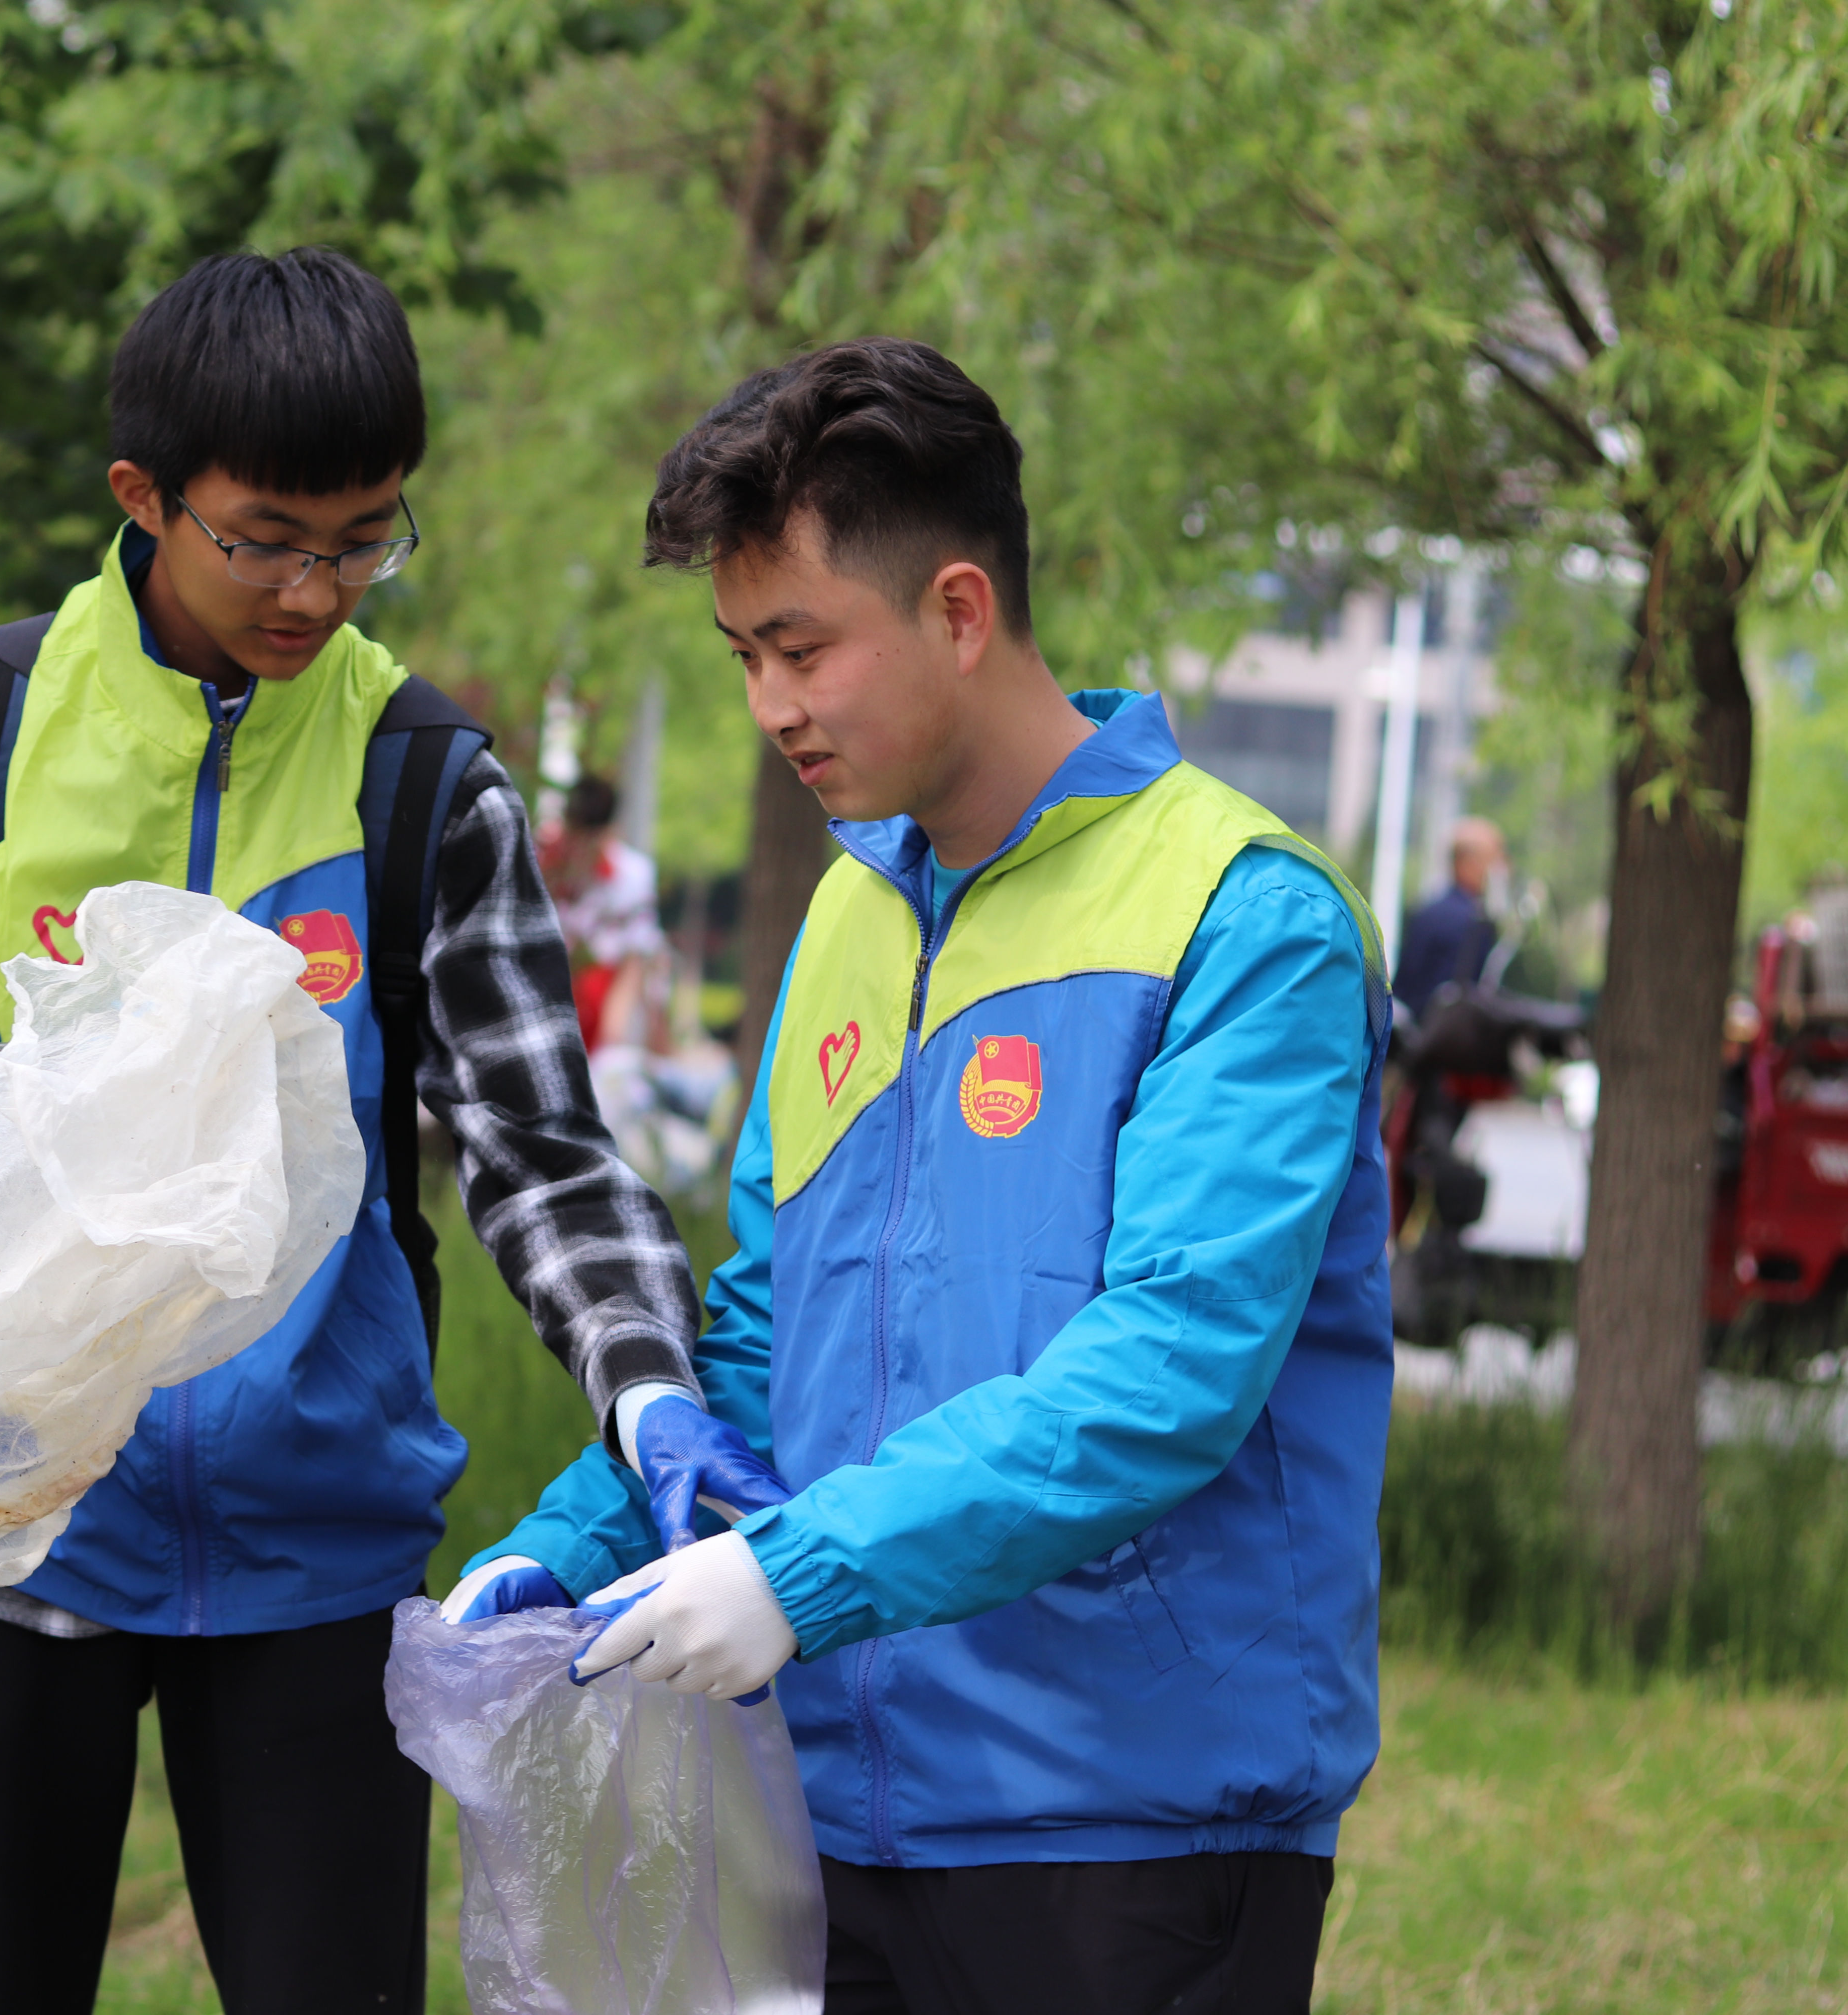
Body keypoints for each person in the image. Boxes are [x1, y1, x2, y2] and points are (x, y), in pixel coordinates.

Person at [0, 247, 702, 2015]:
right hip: (7, 1526)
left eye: (366, 536)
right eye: (265, 537)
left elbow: (542, 1149)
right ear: (144, 499)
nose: (317, 591)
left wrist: (653, 1390)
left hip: (316, 1549)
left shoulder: (423, 782)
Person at [442, 337, 1394, 2014]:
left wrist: (792, 1580)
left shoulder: (1244, 920)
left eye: (802, 650)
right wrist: (577, 1539)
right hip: (839, 1807)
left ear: (961, 609)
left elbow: (1165, 1376)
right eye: (743, 656)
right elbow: (765, 1331)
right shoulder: (854, 910)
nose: (771, 711)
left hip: (1133, 1830)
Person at [543, 773, 668, 1052]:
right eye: (575, 834)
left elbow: (636, 960)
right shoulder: (543, 866)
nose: (581, 846)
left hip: (601, 1009)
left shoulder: (632, 876)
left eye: (590, 837)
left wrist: (613, 1039)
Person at [1394, 816, 1505, 1015]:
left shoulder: (1425, 913)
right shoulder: (1476, 923)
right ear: (1470, 864)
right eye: (1494, 860)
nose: (1501, 870)